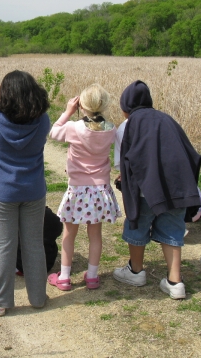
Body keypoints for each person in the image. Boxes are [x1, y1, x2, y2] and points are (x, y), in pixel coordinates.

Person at [112, 81, 201, 300]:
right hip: (177, 189)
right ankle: (175, 282)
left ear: (126, 107)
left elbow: (123, 163)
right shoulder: (167, 119)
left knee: (137, 226)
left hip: (146, 190)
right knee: (172, 231)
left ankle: (135, 272)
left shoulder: (129, 124)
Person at [0, 70, 50, 316]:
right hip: (34, 191)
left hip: (2, 193)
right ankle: (38, 298)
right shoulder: (43, 121)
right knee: (34, 244)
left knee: (5, 246)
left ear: (5, 96)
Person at [47, 84, 122, 291]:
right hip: (100, 190)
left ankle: (64, 277)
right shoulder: (111, 129)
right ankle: (92, 276)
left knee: (69, 234)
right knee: (95, 235)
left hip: (77, 190)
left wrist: (68, 111)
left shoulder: (74, 127)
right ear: (104, 105)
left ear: (82, 105)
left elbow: (53, 132)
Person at [0, 206, 63, 274]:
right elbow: (59, 228)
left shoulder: (13, 215)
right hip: (46, 265)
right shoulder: (46, 213)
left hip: (20, 266)